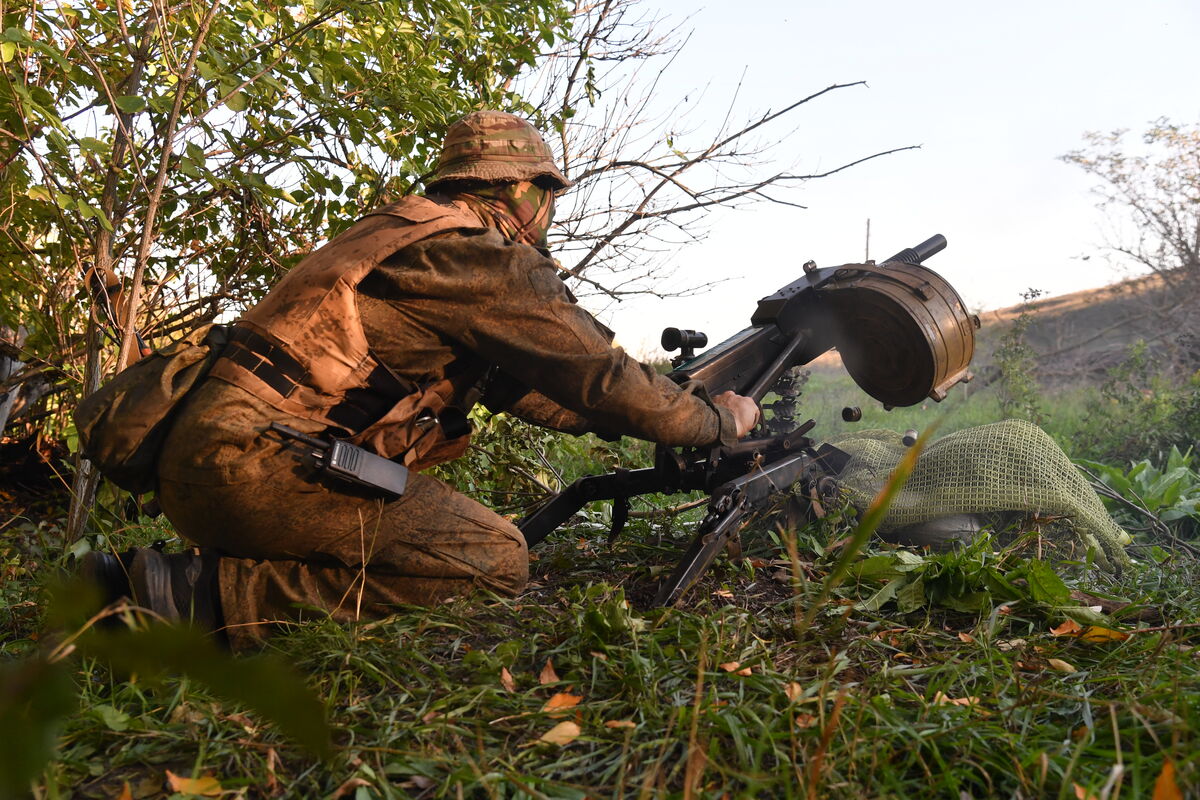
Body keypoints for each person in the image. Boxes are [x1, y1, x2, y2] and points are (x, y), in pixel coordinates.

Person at [83, 111, 759, 648]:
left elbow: (539, 388)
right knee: (493, 559)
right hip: (254, 468)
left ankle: (177, 582)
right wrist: (713, 420)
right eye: (548, 194)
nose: (549, 215)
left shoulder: (402, 234)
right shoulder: (478, 257)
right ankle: (176, 600)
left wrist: (641, 409)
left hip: (201, 462)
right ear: (522, 190)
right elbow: (599, 374)